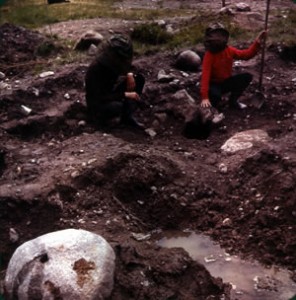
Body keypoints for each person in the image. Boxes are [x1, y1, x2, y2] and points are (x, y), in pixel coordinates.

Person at [200, 23, 267, 109]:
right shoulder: (209, 55)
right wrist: (204, 97)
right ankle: (214, 105)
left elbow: (246, 55)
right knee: (215, 97)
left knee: (246, 77)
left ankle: (233, 102)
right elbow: (205, 77)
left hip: (225, 82)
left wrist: (257, 42)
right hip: (213, 84)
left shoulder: (229, 50)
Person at [85, 34, 145, 129]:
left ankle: (127, 118)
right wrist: (125, 95)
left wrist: (129, 74)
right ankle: (100, 122)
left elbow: (129, 68)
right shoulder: (96, 69)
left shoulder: (116, 63)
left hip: (111, 94)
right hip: (98, 104)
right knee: (118, 106)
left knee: (138, 79)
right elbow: (100, 97)